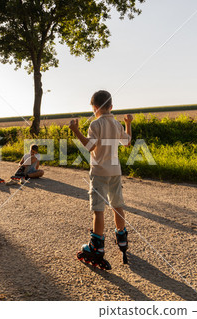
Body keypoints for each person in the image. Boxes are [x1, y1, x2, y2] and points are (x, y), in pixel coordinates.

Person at [69, 90, 133, 268]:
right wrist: (128, 123)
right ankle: (122, 238)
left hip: (99, 172)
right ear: (111, 107)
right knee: (117, 205)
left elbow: (90, 146)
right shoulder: (117, 124)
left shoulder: (95, 125)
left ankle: (96, 248)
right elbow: (127, 142)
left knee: (98, 209)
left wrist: (76, 131)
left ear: (95, 108)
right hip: (115, 171)